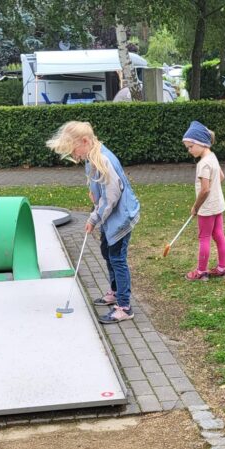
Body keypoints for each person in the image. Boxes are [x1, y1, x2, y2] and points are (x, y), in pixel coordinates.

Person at [46, 121, 141, 324]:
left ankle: (124, 306)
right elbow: (99, 191)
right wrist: (93, 193)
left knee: (117, 258)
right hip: (111, 216)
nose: (75, 156)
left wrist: (94, 218)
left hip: (121, 217)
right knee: (107, 252)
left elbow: (111, 197)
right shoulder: (91, 157)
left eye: (74, 151)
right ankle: (115, 292)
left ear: (86, 141)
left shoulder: (103, 160)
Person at [182, 121, 225, 281]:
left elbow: (205, 189)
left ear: (200, 143)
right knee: (218, 234)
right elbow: (221, 177)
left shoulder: (203, 164)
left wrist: (196, 207)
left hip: (207, 209)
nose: (189, 151)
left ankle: (201, 271)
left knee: (204, 238)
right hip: (218, 205)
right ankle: (222, 268)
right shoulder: (212, 157)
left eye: (190, 147)